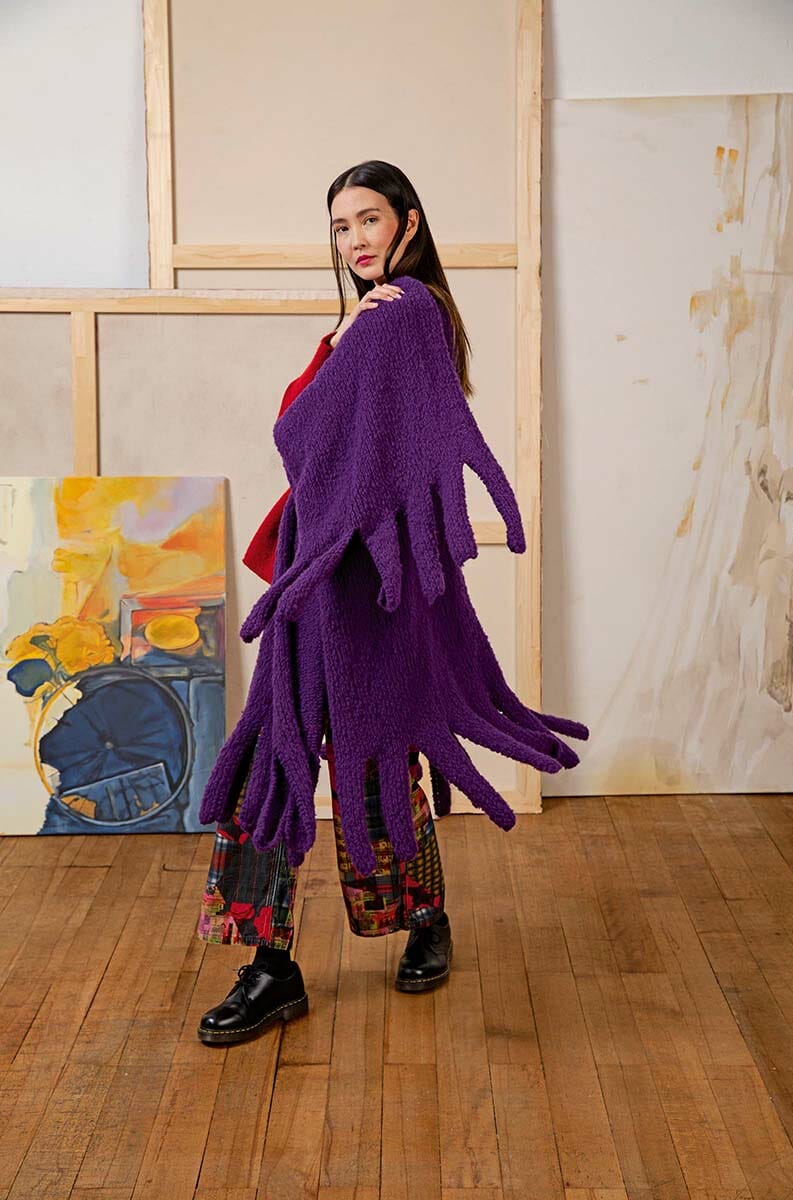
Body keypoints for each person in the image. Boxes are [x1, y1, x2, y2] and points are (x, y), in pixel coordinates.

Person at [196, 161, 468, 1046]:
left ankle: (420, 918)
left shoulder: (405, 313)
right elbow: (312, 436)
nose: (355, 239)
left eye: (370, 219)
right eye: (342, 225)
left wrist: (345, 338)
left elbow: (301, 431)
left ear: (409, 223)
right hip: (318, 573)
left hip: (367, 579)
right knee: (277, 760)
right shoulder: (370, 318)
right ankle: (273, 963)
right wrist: (342, 337)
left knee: (372, 758)